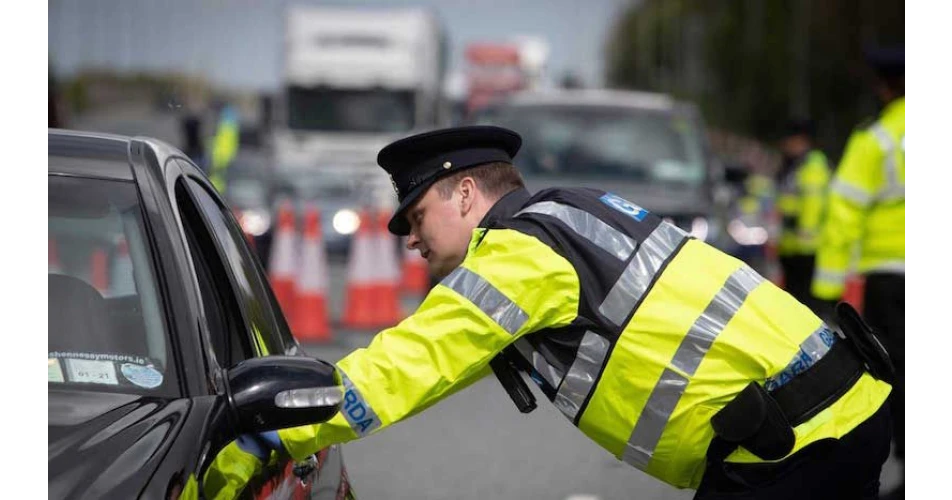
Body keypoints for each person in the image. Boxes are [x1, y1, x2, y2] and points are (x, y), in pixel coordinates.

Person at [222, 126, 893, 499]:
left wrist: (274, 430)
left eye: (417, 215)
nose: (410, 238)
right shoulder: (570, 212)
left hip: (797, 444)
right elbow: (436, 372)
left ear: (463, 193)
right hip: (831, 416)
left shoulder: (519, 257)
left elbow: (409, 365)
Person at [811, 46, 911, 500]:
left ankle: (914, 473)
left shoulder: (876, 139)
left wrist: (829, 291)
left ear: (883, 86)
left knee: (902, 374)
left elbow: (844, 213)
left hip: (893, 278)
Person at [775, 119, 831, 311]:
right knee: (793, 301)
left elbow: (813, 203)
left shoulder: (812, 165)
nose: (785, 145)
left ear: (802, 140)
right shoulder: (793, 165)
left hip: (807, 246)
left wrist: (805, 232)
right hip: (791, 245)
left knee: (805, 303)